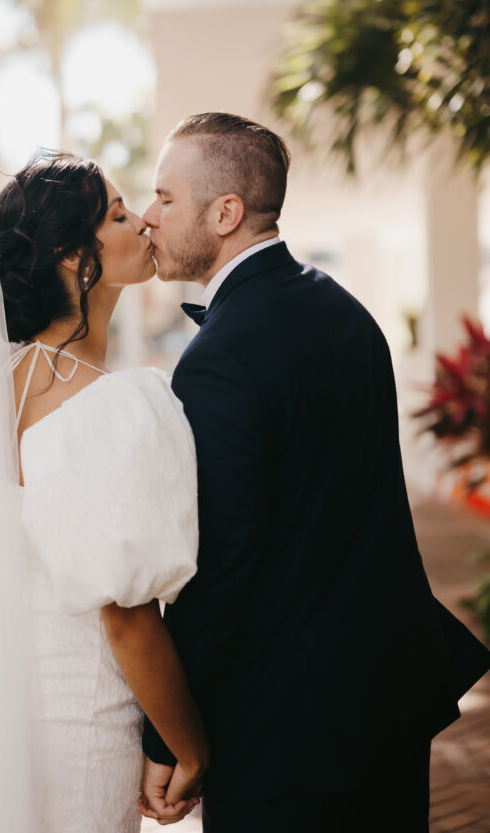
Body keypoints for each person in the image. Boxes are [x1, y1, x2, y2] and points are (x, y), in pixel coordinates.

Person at [140, 111, 490, 833]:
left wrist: (169, 739)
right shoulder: (348, 314)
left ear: (226, 212)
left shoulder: (222, 357)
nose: (150, 216)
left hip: (288, 736)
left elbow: (220, 571)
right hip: (387, 703)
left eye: (165, 197)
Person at [0, 150, 207, 833]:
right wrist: (189, 745)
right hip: (79, 733)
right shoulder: (114, 407)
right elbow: (126, 616)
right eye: (120, 214)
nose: (145, 222)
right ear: (71, 255)